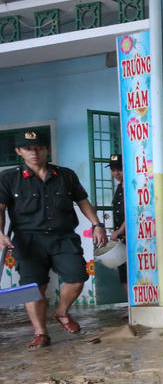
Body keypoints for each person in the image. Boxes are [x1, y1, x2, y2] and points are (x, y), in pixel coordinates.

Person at [0, 129, 107, 348]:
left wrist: (97, 225)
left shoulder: (65, 175)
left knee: (77, 278)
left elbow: (82, 201)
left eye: (39, 148)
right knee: (32, 287)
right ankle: (41, 333)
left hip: (63, 237)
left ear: (47, 149)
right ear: (18, 151)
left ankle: (61, 312)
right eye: (28, 149)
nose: (34, 153)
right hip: (28, 241)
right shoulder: (9, 178)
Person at [107, 154, 128, 286]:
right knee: (124, 273)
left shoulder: (131, 187)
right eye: (113, 170)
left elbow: (132, 213)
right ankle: (129, 299)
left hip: (131, 237)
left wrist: (119, 230)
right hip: (121, 238)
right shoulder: (119, 187)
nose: (116, 173)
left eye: (119, 169)